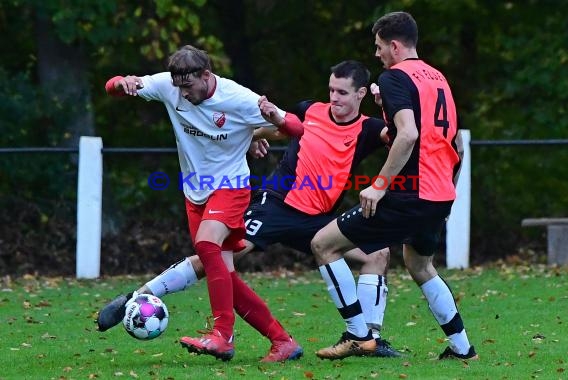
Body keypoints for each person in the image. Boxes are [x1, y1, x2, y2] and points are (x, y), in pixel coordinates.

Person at [97, 60, 401, 358]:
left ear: (361, 94)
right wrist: (250, 140)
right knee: (213, 258)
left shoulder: (369, 129)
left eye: (343, 93)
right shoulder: (309, 109)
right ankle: (140, 295)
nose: (334, 98)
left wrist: (386, 103)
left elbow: (401, 138)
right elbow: (275, 129)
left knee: (377, 254)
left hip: (319, 220)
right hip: (277, 206)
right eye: (331, 90)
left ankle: (367, 338)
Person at [103, 45, 306, 362]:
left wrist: (273, 117)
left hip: (231, 186)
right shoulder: (170, 86)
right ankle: (283, 341)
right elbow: (111, 87)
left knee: (207, 245)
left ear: (207, 75)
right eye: (178, 87)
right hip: (194, 192)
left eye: (188, 86)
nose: (182, 94)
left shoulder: (237, 97)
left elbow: (297, 129)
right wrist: (122, 83)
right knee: (224, 276)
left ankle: (222, 335)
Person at [310, 12, 478, 361]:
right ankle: (463, 350)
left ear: (395, 45)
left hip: (410, 193)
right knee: (419, 264)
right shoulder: (437, 79)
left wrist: (379, 185)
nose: (377, 54)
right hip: (439, 193)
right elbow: (455, 146)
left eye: (379, 46)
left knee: (323, 244)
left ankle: (359, 336)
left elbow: (409, 134)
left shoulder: (394, 78)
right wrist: (446, 197)